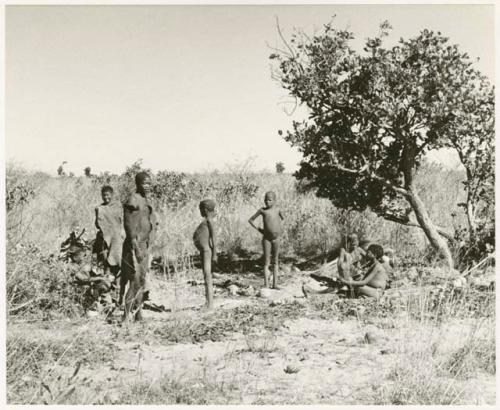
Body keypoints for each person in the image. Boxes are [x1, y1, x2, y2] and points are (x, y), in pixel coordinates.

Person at [121, 172, 156, 322]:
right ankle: (125, 317)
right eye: (144, 183)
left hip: (144, 244)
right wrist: (136, 248)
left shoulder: (144, 200)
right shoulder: (132, 200)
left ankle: (138, 314)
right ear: (137, 184)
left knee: (141, 281)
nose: (147, 186)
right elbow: (128, 225)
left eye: (149, 183)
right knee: (134, 281)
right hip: (134, 246)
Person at [248, 191, 284, 289]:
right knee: (266, 261)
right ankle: (266, 284)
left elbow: (284, 219)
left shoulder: (278, 210)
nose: (267, 202)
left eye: (269, 200)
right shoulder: (262, 211)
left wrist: (280, 231)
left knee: (276, 261)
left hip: (277, 239)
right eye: (265, 200)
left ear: (274, 201)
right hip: (266, 239)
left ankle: (275, 284)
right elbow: (251, 220)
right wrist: (259, 229)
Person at [94, 185, 124, 278]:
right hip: (105, 235)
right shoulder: (100, 208)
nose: (106, 197)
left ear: (112, 194)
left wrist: (122, 231)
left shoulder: (118, 206)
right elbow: (97, 224)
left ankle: (118, 273)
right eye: (104, 195)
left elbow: (122, 220)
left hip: (117, 234)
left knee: (118, 253)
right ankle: (106, 272)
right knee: (103, 253)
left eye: (108, 195)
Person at [193, 199, 218, 309]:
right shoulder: (207, 220)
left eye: (201, 209)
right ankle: (208, 302)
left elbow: (213, 238)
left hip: (207, 251)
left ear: (205, 210)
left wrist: (215, 254)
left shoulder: (209, 221)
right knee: (206, 276)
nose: (200, 212)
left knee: (208, 276)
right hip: (204, 251)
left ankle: (210, 304)